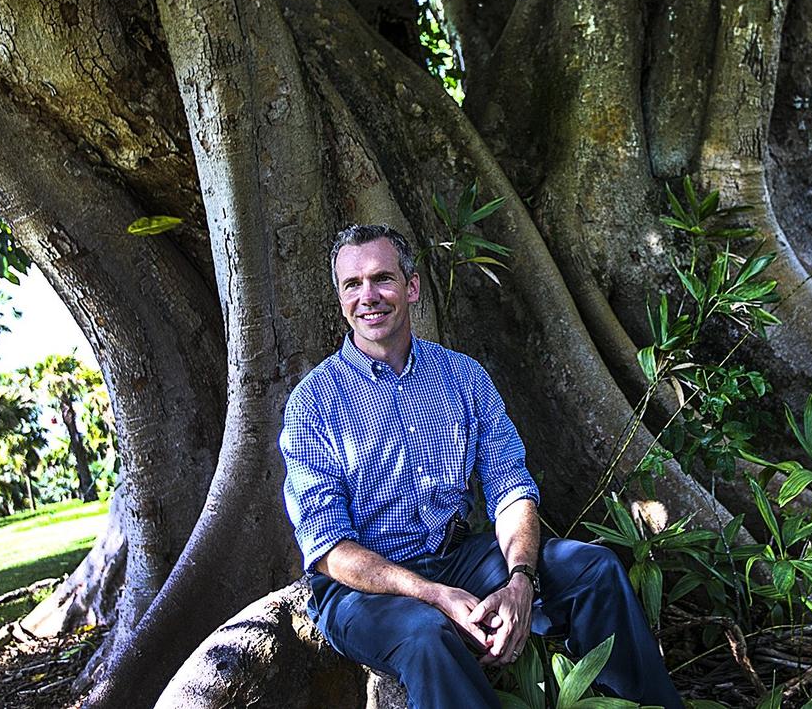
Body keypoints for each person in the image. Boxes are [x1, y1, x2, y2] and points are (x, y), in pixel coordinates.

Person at [279, 224, 684, 709]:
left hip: (458, 560)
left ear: (412, 287)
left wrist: (520, 580)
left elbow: (511, 488)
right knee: (426, 634)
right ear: (341, 299)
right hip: (362, 590)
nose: (369, 296)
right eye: (353, 284)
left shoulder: (463, 377)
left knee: (594, 570)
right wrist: (434, 595)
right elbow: (330, 550)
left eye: (382, 278)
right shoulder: (313, 402)